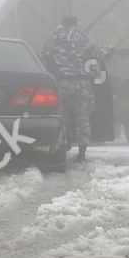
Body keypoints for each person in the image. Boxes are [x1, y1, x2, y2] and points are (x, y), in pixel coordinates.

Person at [40, 16, 105, 163]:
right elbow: (99, 52)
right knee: (82, 119)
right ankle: (81, 154)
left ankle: (57, 149)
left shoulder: (52, 39)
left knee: (60, 117)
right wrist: (111, 49)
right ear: (74, 24)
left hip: (60, 84)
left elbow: (44, 58)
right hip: (81, 84)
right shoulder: (81, 37)